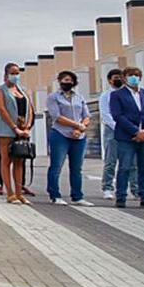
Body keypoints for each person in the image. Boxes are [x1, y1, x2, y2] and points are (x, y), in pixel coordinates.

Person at [110, 67, 144, 209]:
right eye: (131, 75)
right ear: (124, 78)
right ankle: (121, 196)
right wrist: (135, 131)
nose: (134, 77)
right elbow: (117, 115)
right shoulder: (117, 95)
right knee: (125, 167)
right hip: (127, 137)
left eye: (137, 75)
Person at [45, 70, 93, 206]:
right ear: (59, 81)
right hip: (60, 134)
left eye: (70, 80)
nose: (68, 82)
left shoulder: (79, 97)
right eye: (65, 80)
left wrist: (80, 128)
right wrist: (77, 125)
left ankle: (77, 196)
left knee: (77, 168)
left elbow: (87, 115)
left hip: (79, 136)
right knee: (56, 166)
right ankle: (54, 195)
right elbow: (57, 117)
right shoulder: (53, 97)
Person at [0, 63, 33, 204]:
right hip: (7, 130)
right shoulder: (0, 90)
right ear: (6, 75)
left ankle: (19, 192)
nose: (15, 76)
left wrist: (27, 127)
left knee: (19, 161)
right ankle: (9, 193)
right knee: (6, 160)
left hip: (22, 130)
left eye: (17, 73)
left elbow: (29, 110)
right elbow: (2, 109)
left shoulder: (22, 91)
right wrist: (14, 127)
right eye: (13, 73)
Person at [99, 69, 136, 200]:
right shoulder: (106, 96)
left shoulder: (129, 94)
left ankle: (135, 189)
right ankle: (108, 188)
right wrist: (120, 127)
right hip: (112, 131)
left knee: (132, 162)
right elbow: (106, 115)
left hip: (129, 131)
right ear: (110, 80)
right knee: (110, 161)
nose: (119, 79)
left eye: (121, 77)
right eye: (116, 77)